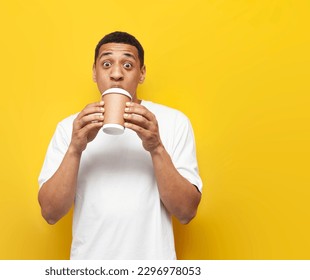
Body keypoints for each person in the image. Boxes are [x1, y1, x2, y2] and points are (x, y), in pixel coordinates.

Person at [38, 31, 202, 260]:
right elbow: (50, 213)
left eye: (127, 65)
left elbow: (186, 212)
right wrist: (75, 148)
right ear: (94, 72)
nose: (116, 74)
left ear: (142, 73)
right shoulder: (70, 128)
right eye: (106, 64)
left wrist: (156, 146)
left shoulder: (173, 122)